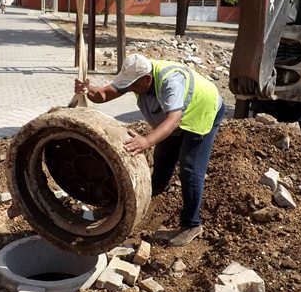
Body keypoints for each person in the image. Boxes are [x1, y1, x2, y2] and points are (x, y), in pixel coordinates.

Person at [74, 54, 225, 247]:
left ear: (147, 79)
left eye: (133, 85)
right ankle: (155, 193)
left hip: (202, 111)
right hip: (175, 116)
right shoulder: (135, 75)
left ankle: (191, 225)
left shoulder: (171, 82)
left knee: (190, 167)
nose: (129, 89)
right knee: (163, 157)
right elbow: (103, 95)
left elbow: (173, 120)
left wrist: (146, 140)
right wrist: (88, 89)